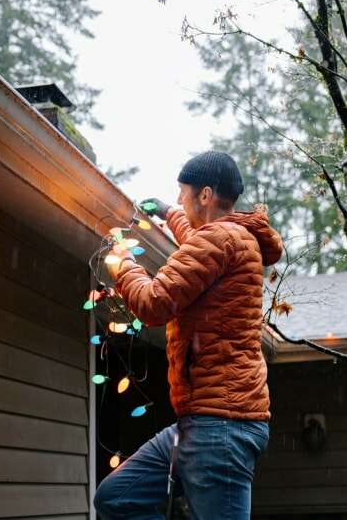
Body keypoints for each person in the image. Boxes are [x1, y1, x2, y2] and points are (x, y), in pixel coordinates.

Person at [96, 151, 283, 519]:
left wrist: (123, 262)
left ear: (205, 195)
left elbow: (152, 304)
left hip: (220, 428)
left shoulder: (219, 240)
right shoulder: (231, 237)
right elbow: (199, 240)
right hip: (203, 424)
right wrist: (169, 212)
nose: (179, 198)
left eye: (183, 193)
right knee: (116, 496)